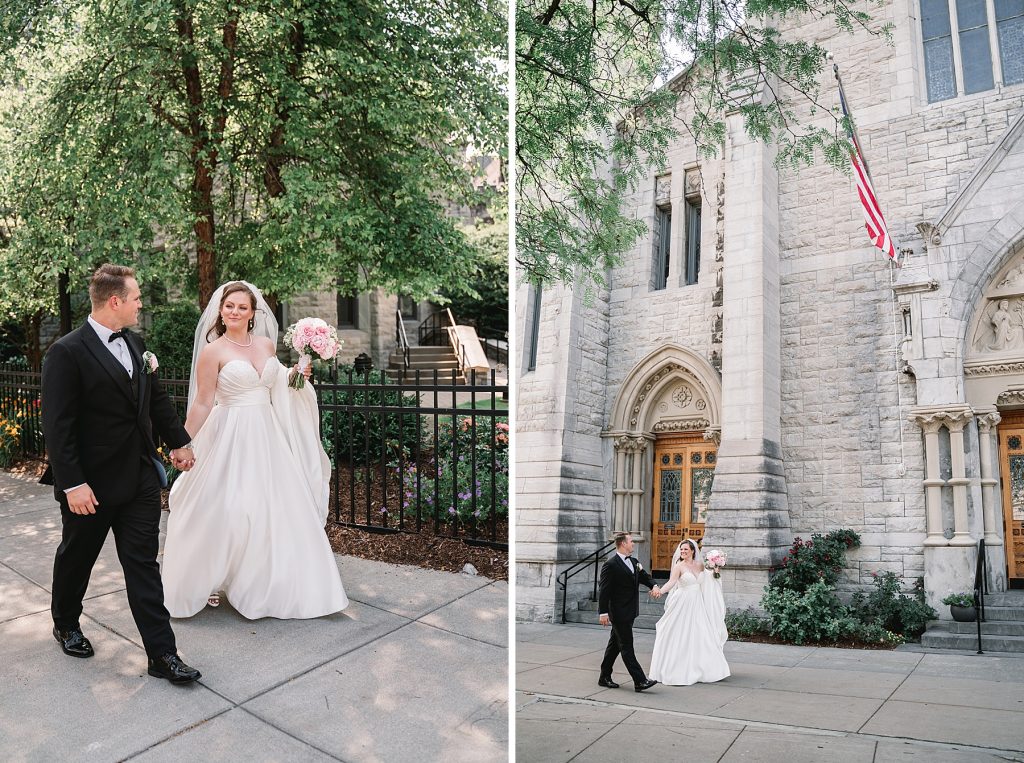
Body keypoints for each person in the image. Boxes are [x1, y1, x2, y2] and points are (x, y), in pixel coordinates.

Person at [41, 263, 202, 684]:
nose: (140, 304)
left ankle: (162, 655)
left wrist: (178, 441)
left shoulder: (137, 344)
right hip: (90, 488)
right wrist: (72, 483)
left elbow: (157, 401)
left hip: (139, 480)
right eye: (135, 298)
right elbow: (57, 426)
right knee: (77, 558)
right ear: (115, 301)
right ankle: (66, 623)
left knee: (143, 566)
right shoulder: (67, 352)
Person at [161, 280, 349, 619]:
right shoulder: (213, 351)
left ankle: (268, 585)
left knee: (273, 510)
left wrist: (297, 375)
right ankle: (214, 578)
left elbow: (277, 387)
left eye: (242, 307)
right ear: (220, 311)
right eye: (229, 306)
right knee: (228, 509)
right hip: (230, 434)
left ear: (252, 313)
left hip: (267, 435)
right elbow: (203, 402)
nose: (235, 311)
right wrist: (181, 440)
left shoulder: (265, 344)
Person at [648, 538, 730, 686]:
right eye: (682, 549)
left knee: (702, 634)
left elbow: (709, 580)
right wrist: (660, 591)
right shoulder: (679, 566)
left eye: (686, 549)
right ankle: (676, 669)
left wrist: (716, 569)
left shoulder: (700, 565)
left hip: (698, 603)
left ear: (693, 551)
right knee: (679, 634)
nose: (683, 551)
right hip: (682, 602)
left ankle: (705, 669)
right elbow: (672, 582)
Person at [597, 531, 661, 692]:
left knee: (615, 645)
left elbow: (644, 576)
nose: (633, 544)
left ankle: (604, 676)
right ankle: (640, 680)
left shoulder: (634, 561)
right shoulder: (610, 565)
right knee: (626, 645)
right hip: (618, 613)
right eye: (631, 541)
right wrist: (603, 612)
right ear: (623, 544)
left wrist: (653, 585)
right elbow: (604, 590)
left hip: (630, 610)